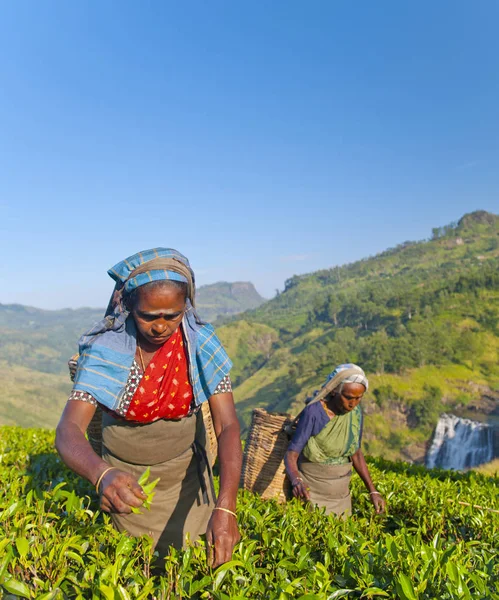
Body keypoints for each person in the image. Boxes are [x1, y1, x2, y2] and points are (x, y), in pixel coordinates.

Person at [56, 248, 242, 567]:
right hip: (126, 487)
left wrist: (226, 506)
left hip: (187, 482)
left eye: (172, 315)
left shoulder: (200, 345)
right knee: (137, 572)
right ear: (128, 307)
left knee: (194, 568)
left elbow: (228, 426)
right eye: (148, 316)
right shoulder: (107, 351)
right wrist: (101, 474)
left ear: (186, 306)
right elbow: (68, 430)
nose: (160, 327)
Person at [284, 364, 385, 517]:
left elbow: (355, 453)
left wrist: (373, 490)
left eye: (359, 398)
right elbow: (291, 454)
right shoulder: (314, 412)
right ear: (333, 391)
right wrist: (296, 481)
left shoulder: (356, 413)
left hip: (341, 497)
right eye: (348, 397)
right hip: (312, 493)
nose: (353, 404)